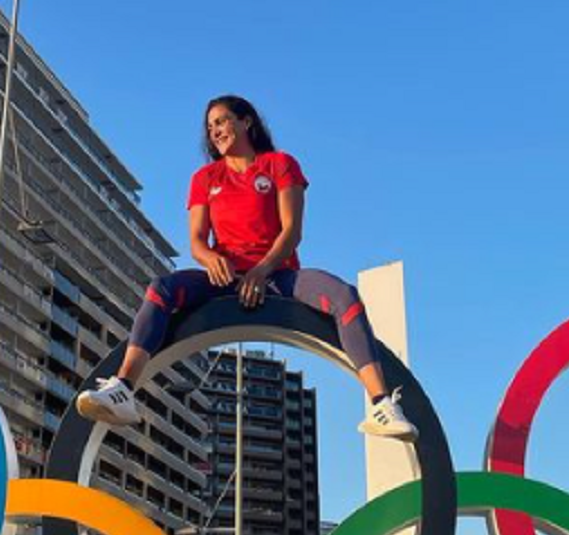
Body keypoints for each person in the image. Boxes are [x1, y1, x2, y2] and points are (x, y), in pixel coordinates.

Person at [77, 96, 417, 442]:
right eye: (210, 126)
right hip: (223, 279)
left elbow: (292, 231)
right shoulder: (205, 178)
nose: (215, 131)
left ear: (246, 122)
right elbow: (197, 241)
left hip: (279, 275)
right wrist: (211, 259)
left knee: (344, 296)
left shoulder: (280, 164)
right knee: (160, 289)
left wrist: (261, 271)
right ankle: (123, 389)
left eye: (223, 121)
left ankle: (381, 404)